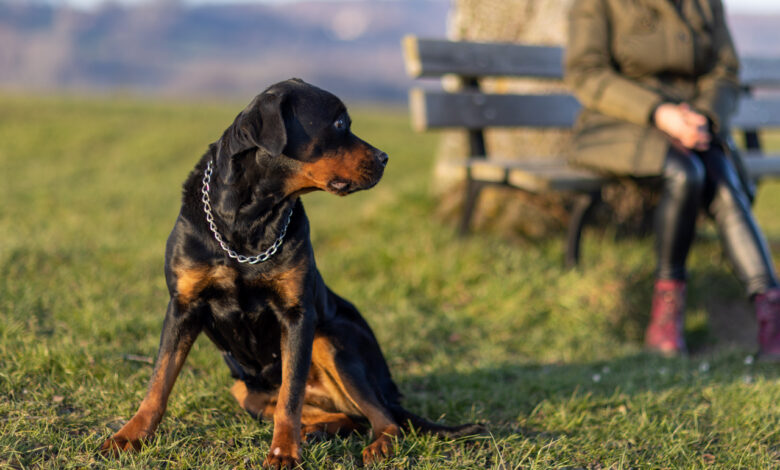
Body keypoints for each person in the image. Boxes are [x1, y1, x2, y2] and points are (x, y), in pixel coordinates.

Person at [564, 0, 780, 358]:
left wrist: (704, 118)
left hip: (694, 123)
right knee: (687, 174)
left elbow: (724, 70)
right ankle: (666, 314)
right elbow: (586, 73)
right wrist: (659, 113)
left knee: (722, 178)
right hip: (621, 122)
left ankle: (770, 311)